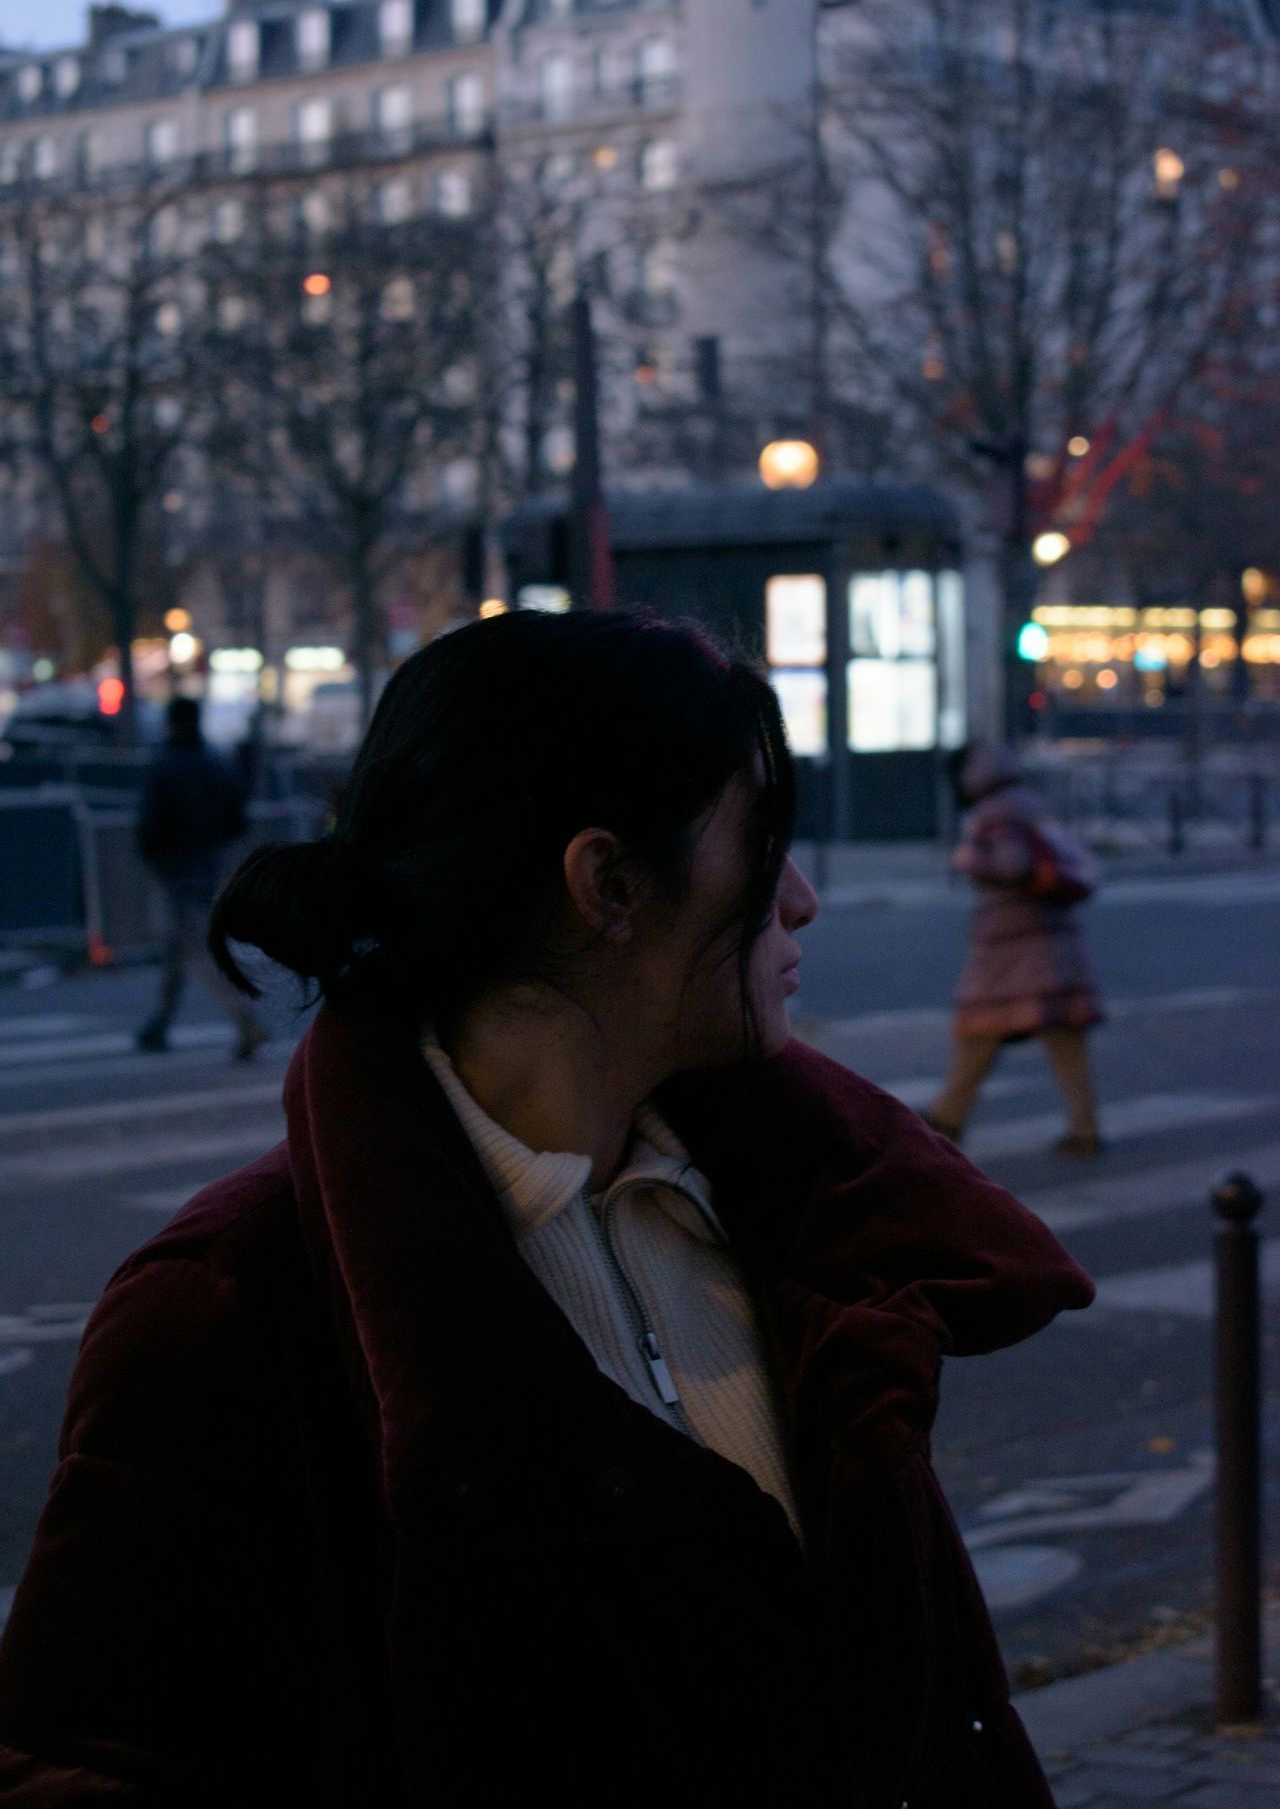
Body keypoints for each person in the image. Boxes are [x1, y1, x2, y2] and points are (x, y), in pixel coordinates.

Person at [0, 613, 1093, 1808]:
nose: (802, 899)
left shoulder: (804, 1208)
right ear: (608, 884)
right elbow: (93, 1754)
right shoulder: (225, 1308)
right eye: (762, 839)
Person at [925, 740, 1104, 1154]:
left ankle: (947, 1116)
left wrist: (970, 860)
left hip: (1014, 938)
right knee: (1061, 1031)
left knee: (980, 1024)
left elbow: (1013, 865)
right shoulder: (1026, 800)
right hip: (1050, 933)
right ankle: (1084, 1124)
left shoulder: (996, 812)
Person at [133, 695, 267, 1061]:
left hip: (175, 866)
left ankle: (245, 1021)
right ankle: (160, 1022)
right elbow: (235, 812)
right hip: (206, 862)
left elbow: (151, 825)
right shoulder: (211, 763)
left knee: (189, 947)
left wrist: (153, 852)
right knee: (179, 946)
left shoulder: (165, 765)